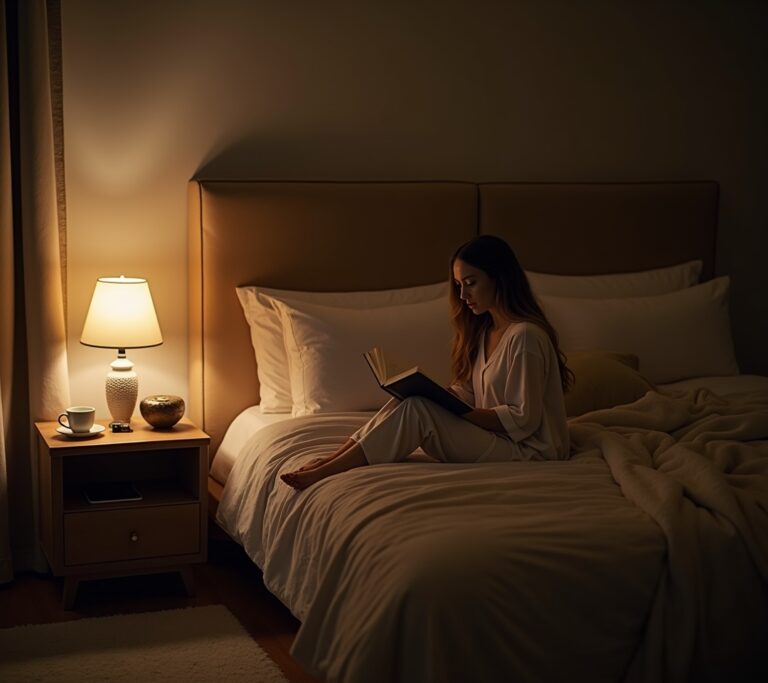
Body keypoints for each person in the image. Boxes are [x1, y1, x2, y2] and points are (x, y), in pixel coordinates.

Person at [280, 234, 573, 491]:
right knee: (409, 400)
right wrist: (441, 395)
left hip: (529, 452)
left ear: (499, 277)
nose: (463, 295)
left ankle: (329, 470)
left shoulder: (525, 337)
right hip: (497, 439)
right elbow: (469, 393)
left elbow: (523, 419)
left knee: (419, 411)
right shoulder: (486, 332)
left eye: (471, 283)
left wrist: (459, 411)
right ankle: (332, 459)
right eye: (458, 285)